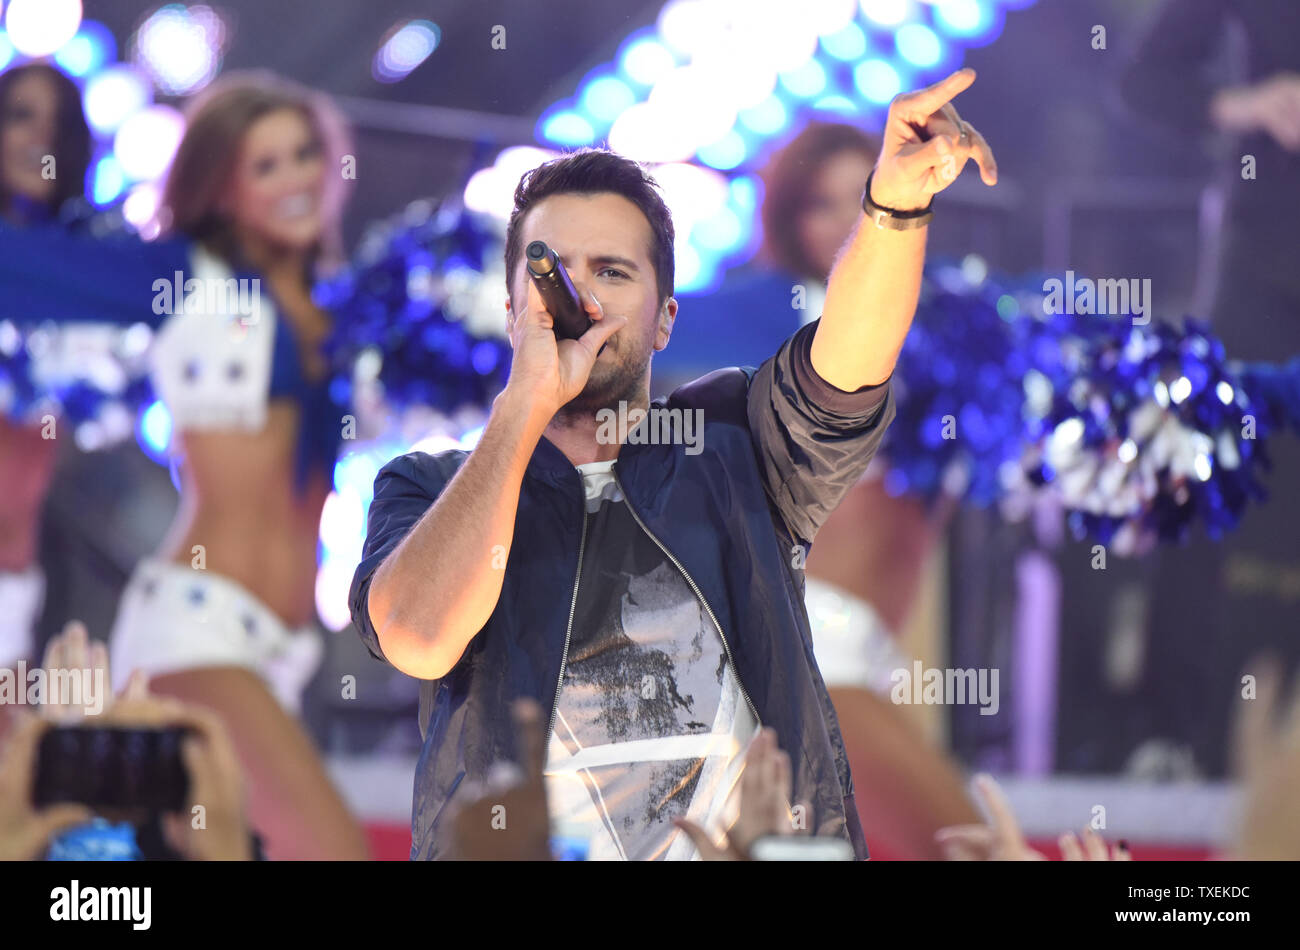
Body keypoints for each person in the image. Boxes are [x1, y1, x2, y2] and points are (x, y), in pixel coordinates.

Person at [350, 68, 998, 860]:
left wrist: (893, 207)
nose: (577, 296)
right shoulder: (425, 486)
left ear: (664, 323)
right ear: (514, 304)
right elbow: (419, 637)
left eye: (613, 272)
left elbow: (846, 370)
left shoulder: (728, 445)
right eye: (553, 270)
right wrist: (524, 406)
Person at [0, 71, 369, 859]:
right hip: (194, 633)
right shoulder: (182, 276)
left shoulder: (348, 310)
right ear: (221, 186)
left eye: (306, 155)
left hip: (286, 652)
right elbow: (23, 267)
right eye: (264, 165)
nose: (298, 179)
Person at [1119, 0, 1300, 777]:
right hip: (1267, 255)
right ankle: (1174, 731)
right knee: (1211, 475)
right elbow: (1144, 78)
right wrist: (1243, 105)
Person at [0, 63, 93, 680]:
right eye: (20, 115)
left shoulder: (90, 278)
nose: (41, 138)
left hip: (15, 590)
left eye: (58, 125)